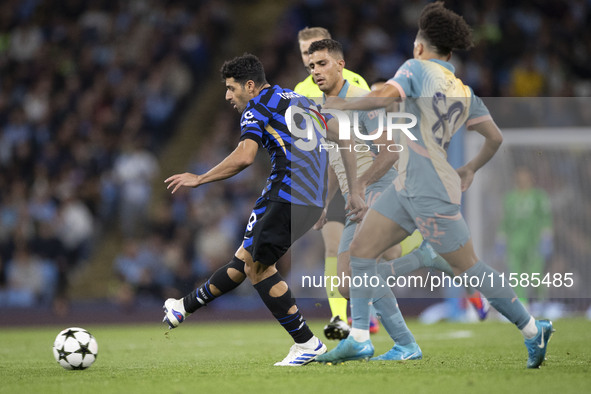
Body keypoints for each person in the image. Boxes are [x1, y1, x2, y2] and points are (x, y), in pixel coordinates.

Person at [318, 2, 553, 368]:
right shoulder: (463, 90)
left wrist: (342, 105)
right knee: (362, 254)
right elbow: (494, 137)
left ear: (420, 46)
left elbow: (384, 96)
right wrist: (470, 168)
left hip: (429, 191)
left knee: (471, 268)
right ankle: (361, 339)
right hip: (408, 185)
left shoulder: (416, 69)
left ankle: (532, 328)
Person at [162, 53, 364, 366]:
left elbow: (244, 157)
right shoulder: (303, 100)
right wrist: (348, 192)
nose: (228, 96)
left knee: (258, 269)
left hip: (286, 195)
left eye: (232, 88)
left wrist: (200, 178)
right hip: (305, 199)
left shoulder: (257, 106)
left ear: (251, 85)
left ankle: (307, 343)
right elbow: (344, 138)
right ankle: (182, 308)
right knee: (244, 261)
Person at [307, 38, 423, 360]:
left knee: (360, 269)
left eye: (322, 63)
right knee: (347, 283)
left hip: (379, 193)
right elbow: (335, 162)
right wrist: (324, 203)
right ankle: (405, 344)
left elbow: (390, 152)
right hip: (356, 199)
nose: (316, 71)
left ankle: (365, 340)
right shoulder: (323, 107)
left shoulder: (361, 100)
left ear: (341, 64)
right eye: (312, 66)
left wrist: (362, 187)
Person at [294, 27, 370, 339]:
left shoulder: (355, 84)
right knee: (332, 247)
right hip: (328, 178)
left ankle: (369, 316)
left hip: (364, 178)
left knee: (377, 252)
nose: (311, 64)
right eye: (305, 57)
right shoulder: (300, 90)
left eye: (316, 55)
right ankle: (341, 319)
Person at [497, 166, 553, 305]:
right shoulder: (510, 198)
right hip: (514, 244)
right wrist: (501, 240)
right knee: (516, 275)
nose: (522, 178)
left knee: (535, 275)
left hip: (533, 242)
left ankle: (542, 302)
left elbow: (546, 218)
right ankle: (522, 304)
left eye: (525, 175)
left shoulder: (538, 196)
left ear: (530, 177)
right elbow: (505, 221)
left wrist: (546, 238)